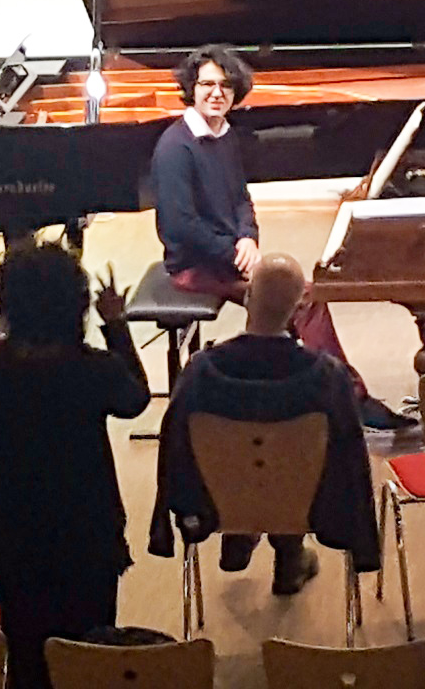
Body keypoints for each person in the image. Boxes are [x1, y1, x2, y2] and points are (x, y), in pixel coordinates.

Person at [150, 43, 415, 429]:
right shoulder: (175, 148)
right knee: (303, 299)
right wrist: (234, 252)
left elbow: (240, 200)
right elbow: (180, 227)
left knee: (297, 297)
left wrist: (248, 238)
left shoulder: (224, 135)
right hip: (195, 267)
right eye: (207, 84)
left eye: (225, 85)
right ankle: (348, 399)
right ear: (191, 87)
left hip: (229, 256)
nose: (216, 93)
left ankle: (314, 396)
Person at [0, 243, 150, 689]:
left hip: (11, 527)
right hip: (85, 528)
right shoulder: (93, 369)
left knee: (25, 650)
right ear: (76, 306)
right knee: (89, 650)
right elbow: (136, 399)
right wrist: (117, 325)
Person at [148, 253, 381, 594]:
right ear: (299, 310)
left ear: (246, 298)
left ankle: (241, 531)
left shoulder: (200, 372)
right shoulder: (327, 378)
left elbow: (175, 447)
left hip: (219, 501)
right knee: (301, 455)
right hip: (305, 504)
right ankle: (289, 555)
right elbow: (351, 459)